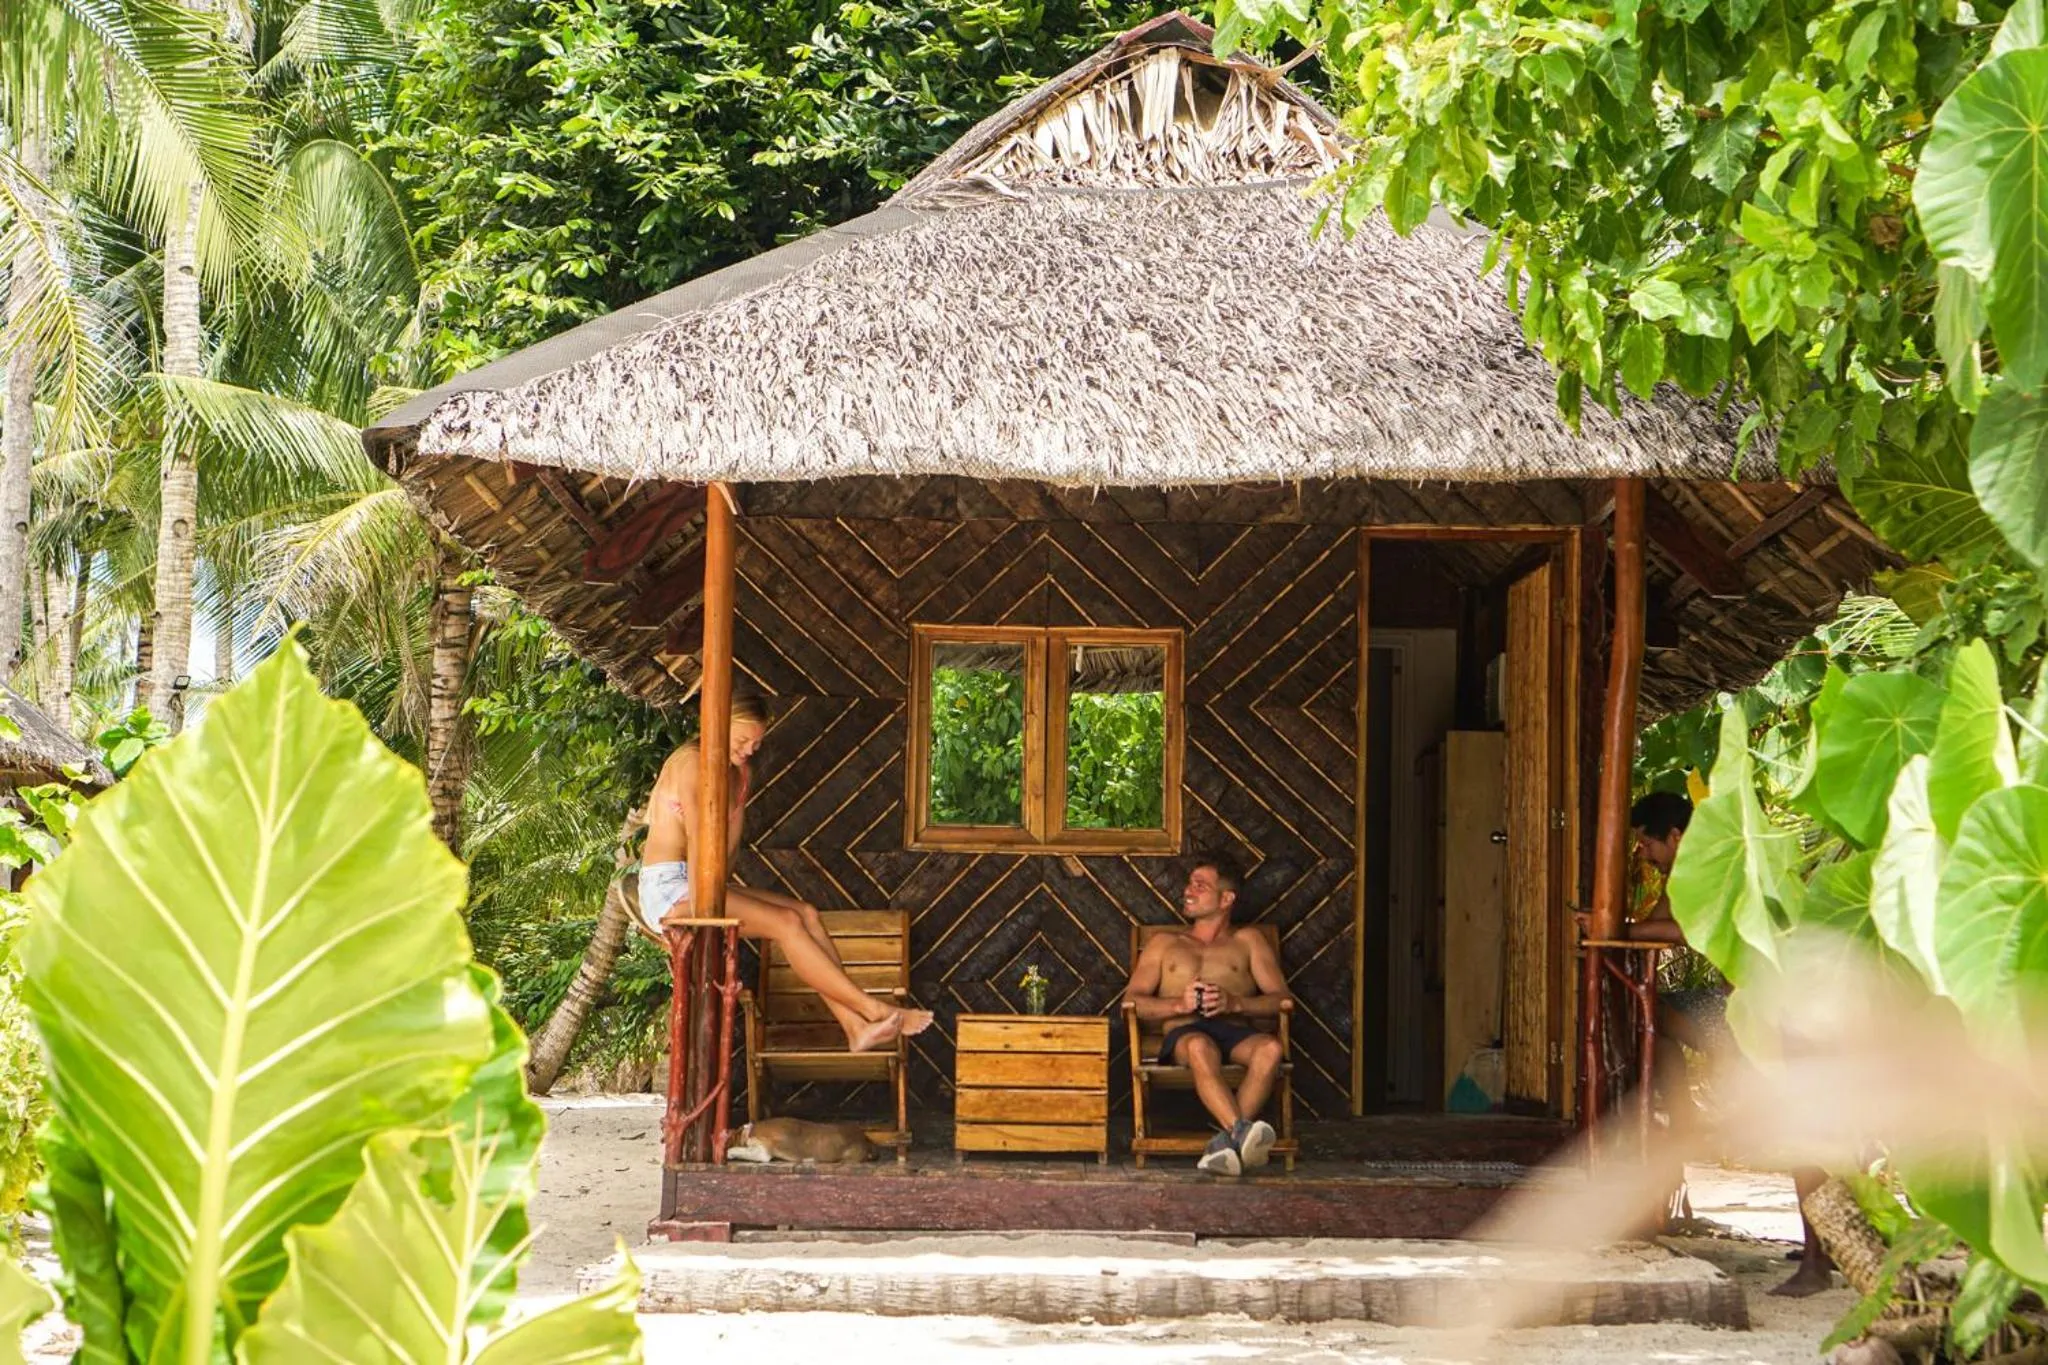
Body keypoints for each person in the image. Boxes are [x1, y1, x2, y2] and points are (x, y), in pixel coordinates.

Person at [1607, 791, 1835, 1297]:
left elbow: (1686, 930)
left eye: (1647, 843)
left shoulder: (1720, 866)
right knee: (1657, 1013)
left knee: (1803, 1131)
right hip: (1741, 1005)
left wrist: (1617, 927)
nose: (1643, 853)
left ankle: (1817, 1263)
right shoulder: (1686, 872)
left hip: (1772, 1008)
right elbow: (1664, 920)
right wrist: (1634, 924)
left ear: (1675, 836)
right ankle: (1687, 1112)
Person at [639, 697, 932, 1053]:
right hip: (668, 888)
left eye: (756, 742)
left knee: (806, 914)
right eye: (742, 740)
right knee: (786, 923)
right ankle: (871, 1009)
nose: (750, 750)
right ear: (718, 725)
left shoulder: (740, 775)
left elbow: (727, 851)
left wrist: (722, 894)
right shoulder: (691, 764)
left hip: (704, 880)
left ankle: (854, 1027)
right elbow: (702, 844)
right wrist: (707, 911)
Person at [1122, 852, 1292, 1176]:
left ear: (1226, 899)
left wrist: (1236, 1003)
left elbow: (1282, 999)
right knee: (1201, 1047)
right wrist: (1179, 1005)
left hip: (1235, 1032)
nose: (1188, 890)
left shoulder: (1248, 941)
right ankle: (1240, 1133)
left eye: (1200, 886)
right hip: (1186, 1035)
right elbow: (1131, 1001)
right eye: (1190, 883)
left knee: (1271, 1049)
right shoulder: (1164, 943)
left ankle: (1225, 1144)